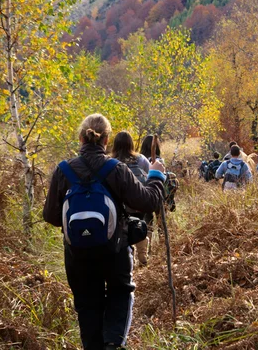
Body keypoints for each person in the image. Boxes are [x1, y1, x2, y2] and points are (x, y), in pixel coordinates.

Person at [43, 114, 166, 350]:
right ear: (106, 140)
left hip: (77, 253)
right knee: (121, 291)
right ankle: (113, 343)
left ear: (81, 138)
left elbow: (50, 216)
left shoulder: (63, 170)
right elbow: (149, 202)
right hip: (114, 249)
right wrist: (156, 175)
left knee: (87, 301)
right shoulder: (116, 169)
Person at [111, 131, 151, 266]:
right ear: (131, 144)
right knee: (139, 224)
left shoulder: (111, 162)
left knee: (122, 230)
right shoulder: (141, 159)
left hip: (120, 204)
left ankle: (129, 257)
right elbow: (149, 178)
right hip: (139, 201)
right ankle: (142, 254)